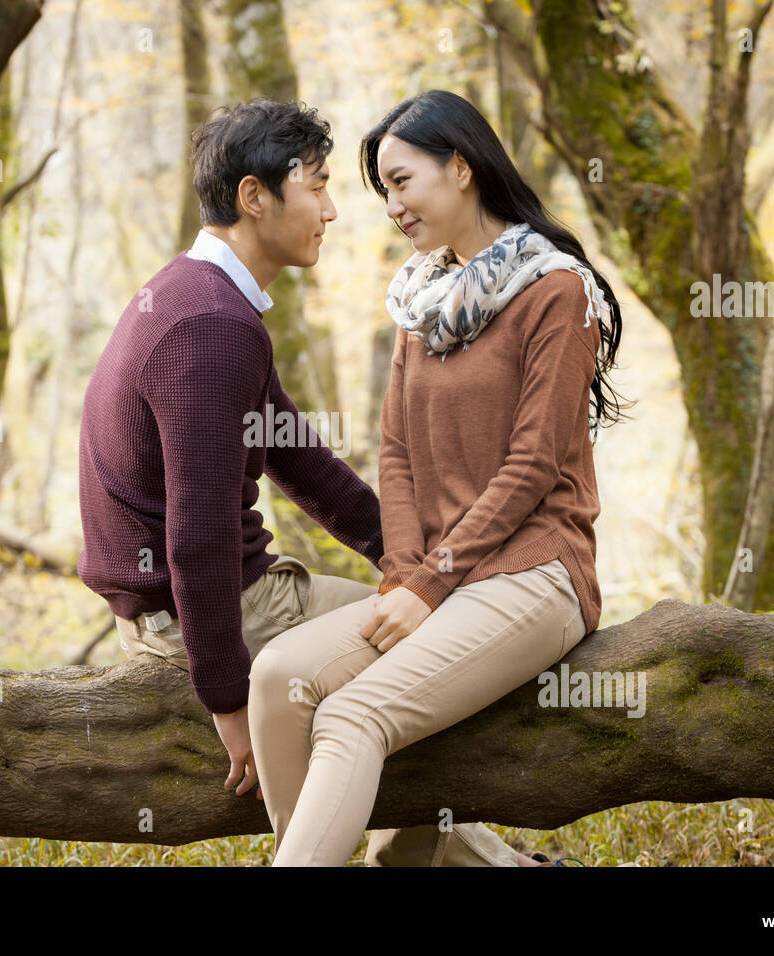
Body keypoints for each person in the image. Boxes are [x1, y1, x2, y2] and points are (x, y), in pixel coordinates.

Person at [77, 97, 531, 865]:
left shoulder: (204, 298)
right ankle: (424, 860)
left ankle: (462, 862)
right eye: (316, 187)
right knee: (431, 645)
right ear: (255, 198)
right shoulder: (211, 327)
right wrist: (225, 694)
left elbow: (301, 462)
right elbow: (197, 535)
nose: (331, 210)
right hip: (209, 613)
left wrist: (416, 553)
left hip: (192, 602)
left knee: (411, 636)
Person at [248, 89, 632, 866]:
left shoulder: (558, 293)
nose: (391, 206)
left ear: (459, 167)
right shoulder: (422, 302)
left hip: (535, 573)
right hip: (442, 578)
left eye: (401, 181)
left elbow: (534, 463)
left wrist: (433, 581)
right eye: (382, 190)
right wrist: (402, 573)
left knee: (351, 717)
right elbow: (397, 456)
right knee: (279, 673)